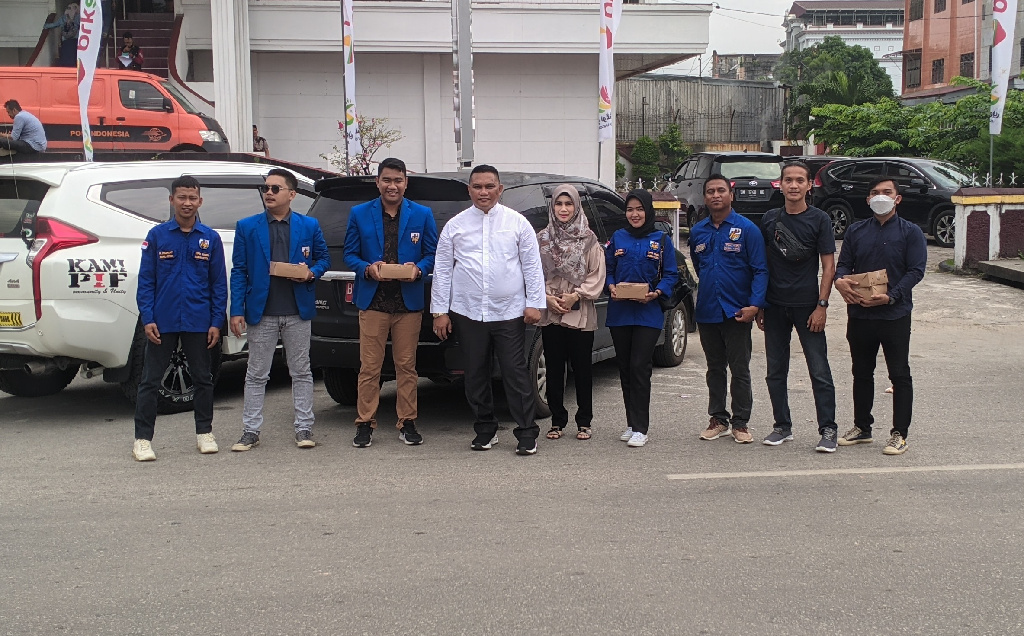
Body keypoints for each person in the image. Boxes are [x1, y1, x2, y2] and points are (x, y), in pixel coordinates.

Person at [430, 165, 545, 455]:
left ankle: (526, 432)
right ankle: (484, 429)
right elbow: (442, 270)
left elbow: (531, 266)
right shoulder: (455, 225)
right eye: (477, 187)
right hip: (468, 312)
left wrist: (535, 303)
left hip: (509, 311)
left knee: (515, 371)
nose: (483, 192)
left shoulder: (517, 223)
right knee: (475, 372)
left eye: (489, 186)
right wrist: (439, 311)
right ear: (469, 190)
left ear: (500, 189)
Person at [229, 168, 330, 451]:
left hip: (297, 310)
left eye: (275, 189)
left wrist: (310, 273)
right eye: (266, 189)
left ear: (292, 194)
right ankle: (250, 430)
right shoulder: (247, 226)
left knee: (301, 371)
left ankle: (304, 428)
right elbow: (239, 271)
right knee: (256, 373)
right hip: (262, 312)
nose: (269, 193)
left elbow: (323, 259)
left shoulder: (309, 226)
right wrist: (237, 310)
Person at [343, 158, 438, 448]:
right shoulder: (359, 213)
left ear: (406, 182)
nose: (392, 185)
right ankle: (365, 423)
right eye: (387, 180)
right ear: (378, 182)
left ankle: (407, 421)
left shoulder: (422, 214)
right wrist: (367, 268)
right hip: (373, 302)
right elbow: (350, 254)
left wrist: (419, 269)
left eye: (398, 180)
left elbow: (433, 253)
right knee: (369, 367)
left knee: (406, 366)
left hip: (407, 304)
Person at [132, 176, 227, 461]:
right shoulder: (158, 236)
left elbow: (218, 285)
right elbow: (146, 281)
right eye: (182, 197)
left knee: (203, 379)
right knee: (149, 380)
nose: (187, 203)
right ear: (172, 200)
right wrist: (148, 318)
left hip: (199, 322)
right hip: (163, 322)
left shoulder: (210, 238)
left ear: (200, 201)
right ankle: (142, 439)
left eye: (192, 198)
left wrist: (215, 322)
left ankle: (204, 433)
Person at [834, 177, 927, 455]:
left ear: (898, 198)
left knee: (899, 374)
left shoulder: (911, 232)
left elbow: (916, 271)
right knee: (861, 372)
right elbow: (843, 267)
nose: (880, 197)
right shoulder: (856, 231)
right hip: (861, 314)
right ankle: (862, 427)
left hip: (894, 313)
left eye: (887, 192)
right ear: (867, 200)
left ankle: (900, 433)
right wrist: (841, 282)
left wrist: (893, 296)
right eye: (874, 192)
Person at [757, 161, 839, 452]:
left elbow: (829, 266)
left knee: (819, 370)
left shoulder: (819, 220)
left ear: (808, 185)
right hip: (775, 306)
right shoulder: (769, 219)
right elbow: (762, 265)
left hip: (808, 306)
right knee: (775, 371)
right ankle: (782, 426)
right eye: (788, 180)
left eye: (799, 180)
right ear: (780, 184)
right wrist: (761, 304)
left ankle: (828, 429)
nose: (793, 185)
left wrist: (822, 305)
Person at [690, 175, 768, 444]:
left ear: (731, 195)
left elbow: (760, 270)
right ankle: (718, 419)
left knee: (740, 368)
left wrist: (755, 305)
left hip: (737, 311)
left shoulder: (747, 230)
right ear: (704, 197)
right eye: (710, 191)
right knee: (714, 368)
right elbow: (698, 265)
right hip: (709, 310)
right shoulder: (698, 231)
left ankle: (741, 422)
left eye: (721, 190)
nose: (715, 195)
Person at [605, 189, 678, 448]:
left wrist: (657, 292)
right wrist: (611, 286)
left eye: (639, 209)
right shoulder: (618, 237)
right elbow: (609, 270)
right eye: (630, 209)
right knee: (624, 368)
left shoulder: (661, 239)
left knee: (639, 366)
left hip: (648, 312)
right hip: (620, 313)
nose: (634, 214)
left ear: (648, 211)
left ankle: (641, 428)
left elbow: (671, 274)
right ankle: (630, 423)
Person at [537, 184, 606, 442]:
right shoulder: (542, 238)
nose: (563, 209)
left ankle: (584, 421)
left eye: (568, 204)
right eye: (558, 204)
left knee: (582, 368)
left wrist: (576, 295)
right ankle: (557, 421)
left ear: (576, 206)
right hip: (551, 310)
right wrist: (546, 297)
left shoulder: (589, 239)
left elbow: (597, 275)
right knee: (554, 368)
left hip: (580, 310)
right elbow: (533, 275)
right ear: (552, 206)